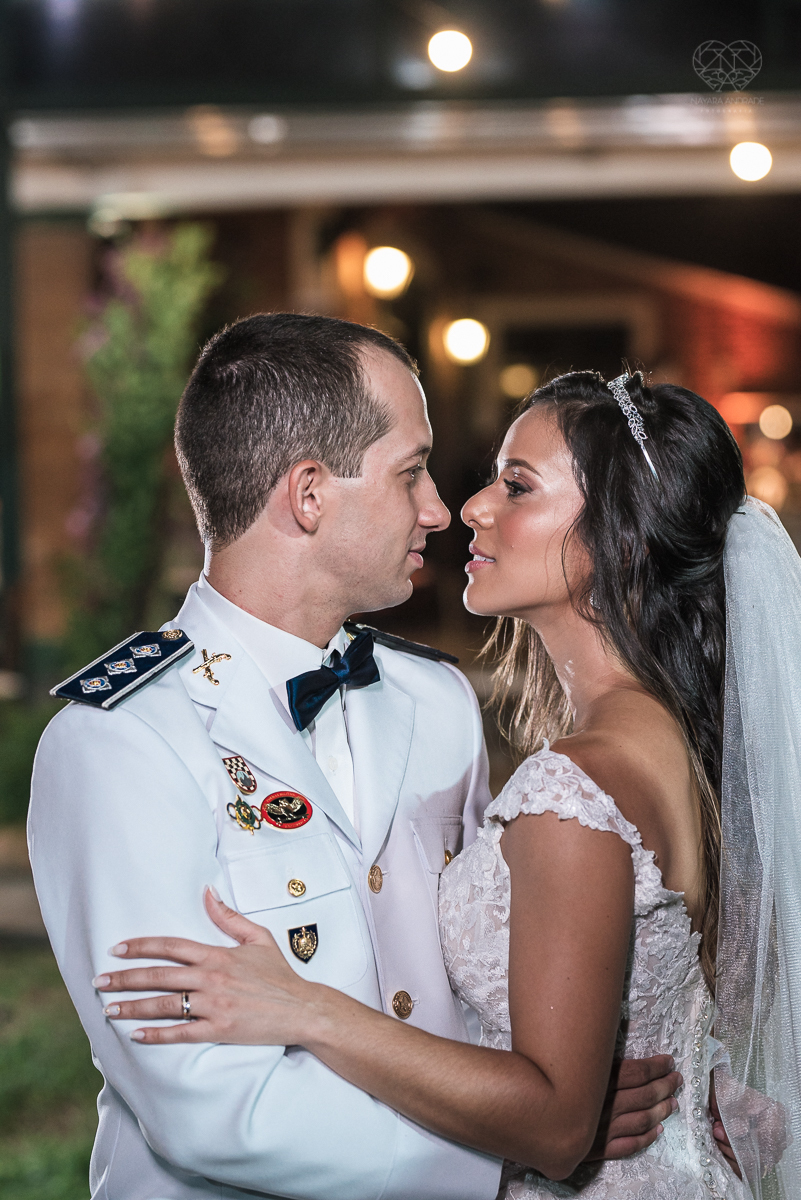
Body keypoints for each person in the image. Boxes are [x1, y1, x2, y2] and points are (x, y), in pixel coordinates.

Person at [29, 319, 678, 1200]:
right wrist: (513, 1145)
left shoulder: (434, 701)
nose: (440, 511)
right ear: (307, 495)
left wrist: (545, 1100)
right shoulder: (120, 741)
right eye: (410, 472)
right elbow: (206, 1105)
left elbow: (470, 989)